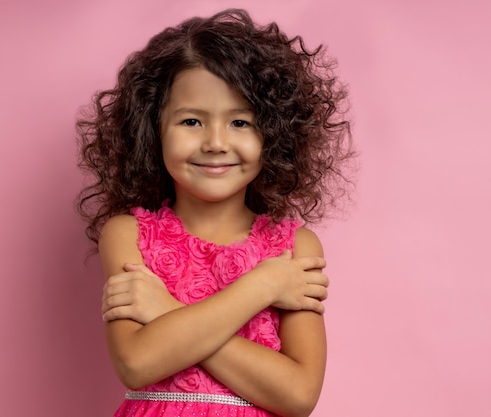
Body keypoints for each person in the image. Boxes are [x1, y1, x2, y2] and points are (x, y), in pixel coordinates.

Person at [76, 8, 354, 417]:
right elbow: (136, 364)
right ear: (153, 130)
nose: (216, 143)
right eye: (192, 121)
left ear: (273, 134)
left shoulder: (293, 249)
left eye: (240, 122)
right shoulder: (128, 235)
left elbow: (297, 396)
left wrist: (167, 312)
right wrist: (261, 288)